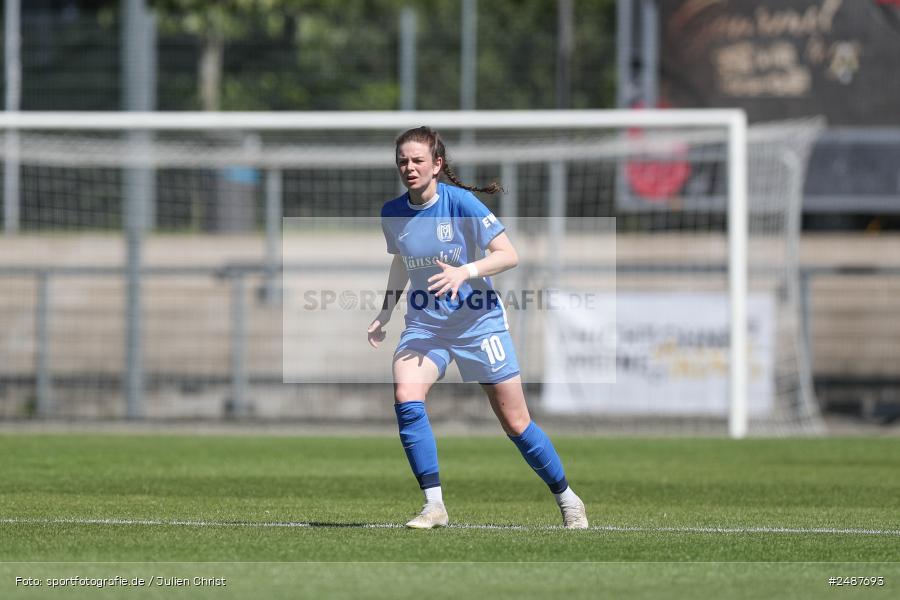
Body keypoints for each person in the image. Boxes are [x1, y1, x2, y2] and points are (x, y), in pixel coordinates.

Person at [367, 126, 588, 530]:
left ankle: (568, 499)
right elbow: (400, 261)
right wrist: (385, 311)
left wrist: (464, 273)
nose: (409, 167)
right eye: (403, 160)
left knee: (516, 422)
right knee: (405, 394)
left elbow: (508, 255)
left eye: (418, 160)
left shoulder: (461, 203)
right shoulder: (393, 212)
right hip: (426, 325)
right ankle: (434, 506)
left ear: (437, 165)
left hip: (477, 322)